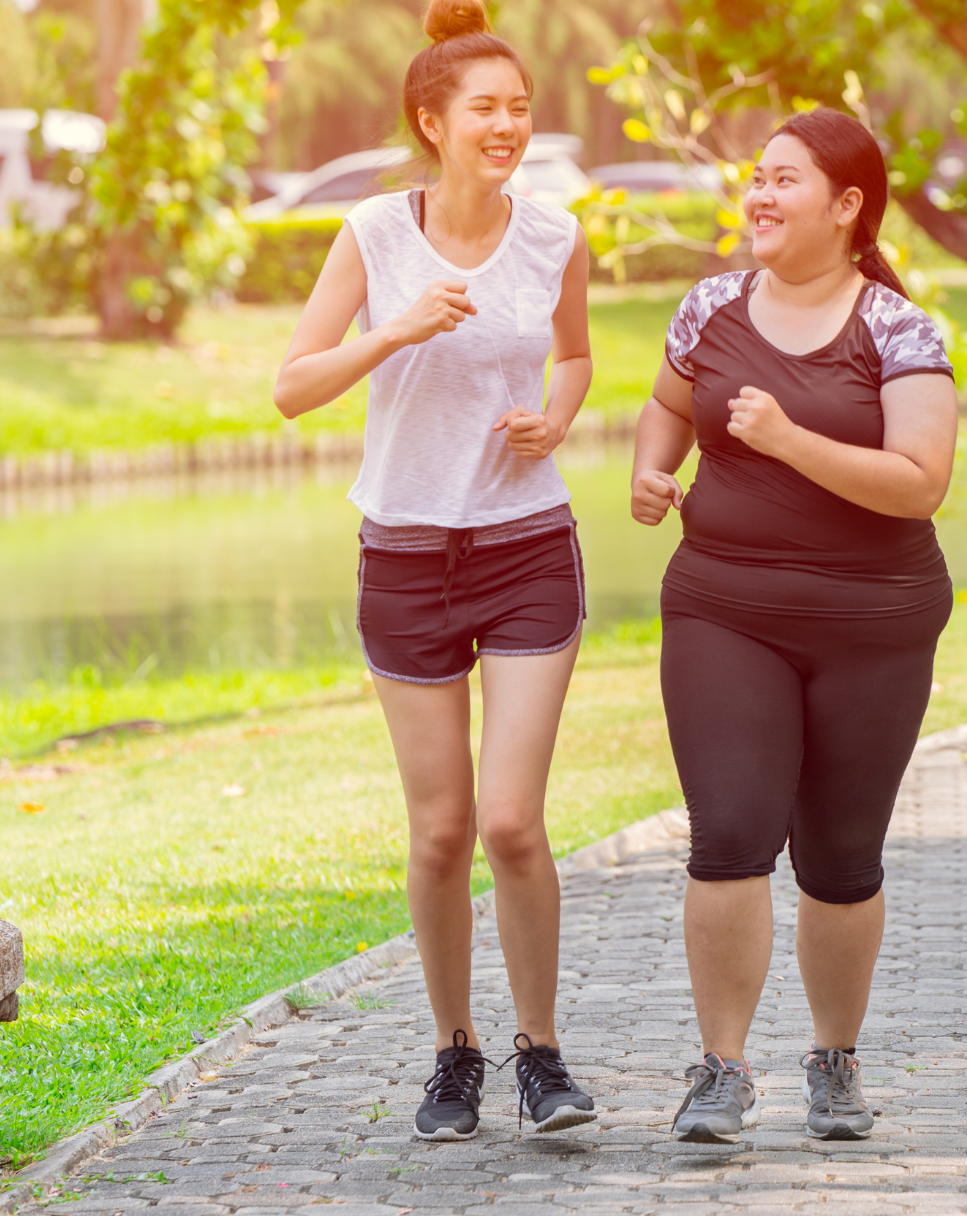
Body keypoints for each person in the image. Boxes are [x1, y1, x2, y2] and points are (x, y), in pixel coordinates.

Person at [271, 0, 598, 1140]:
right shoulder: (372, 233)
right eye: (486, 109)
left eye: (519, 108)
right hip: (405, 551)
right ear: (432, 120)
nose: (507, 125)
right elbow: (293, 385)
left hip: (524, 548)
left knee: (510, 819)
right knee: (440, 828)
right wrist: (395, 330)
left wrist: (554, 420)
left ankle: (541, 1053)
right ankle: (453, 1049)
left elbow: (574, 356)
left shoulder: (555, 234)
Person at [627, 109, 958, 1144]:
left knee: (840, 855)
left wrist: (785, 436)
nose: (758, 197)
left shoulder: (900, 330)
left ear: (846, 206)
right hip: (725, 606)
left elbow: (917, 483)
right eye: (754, 178)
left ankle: (833, 1058)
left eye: (784, 180)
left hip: (874, 621)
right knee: (727, 833)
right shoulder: (710, 306)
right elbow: (666, 402)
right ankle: (720, 1069)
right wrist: (651, 466)